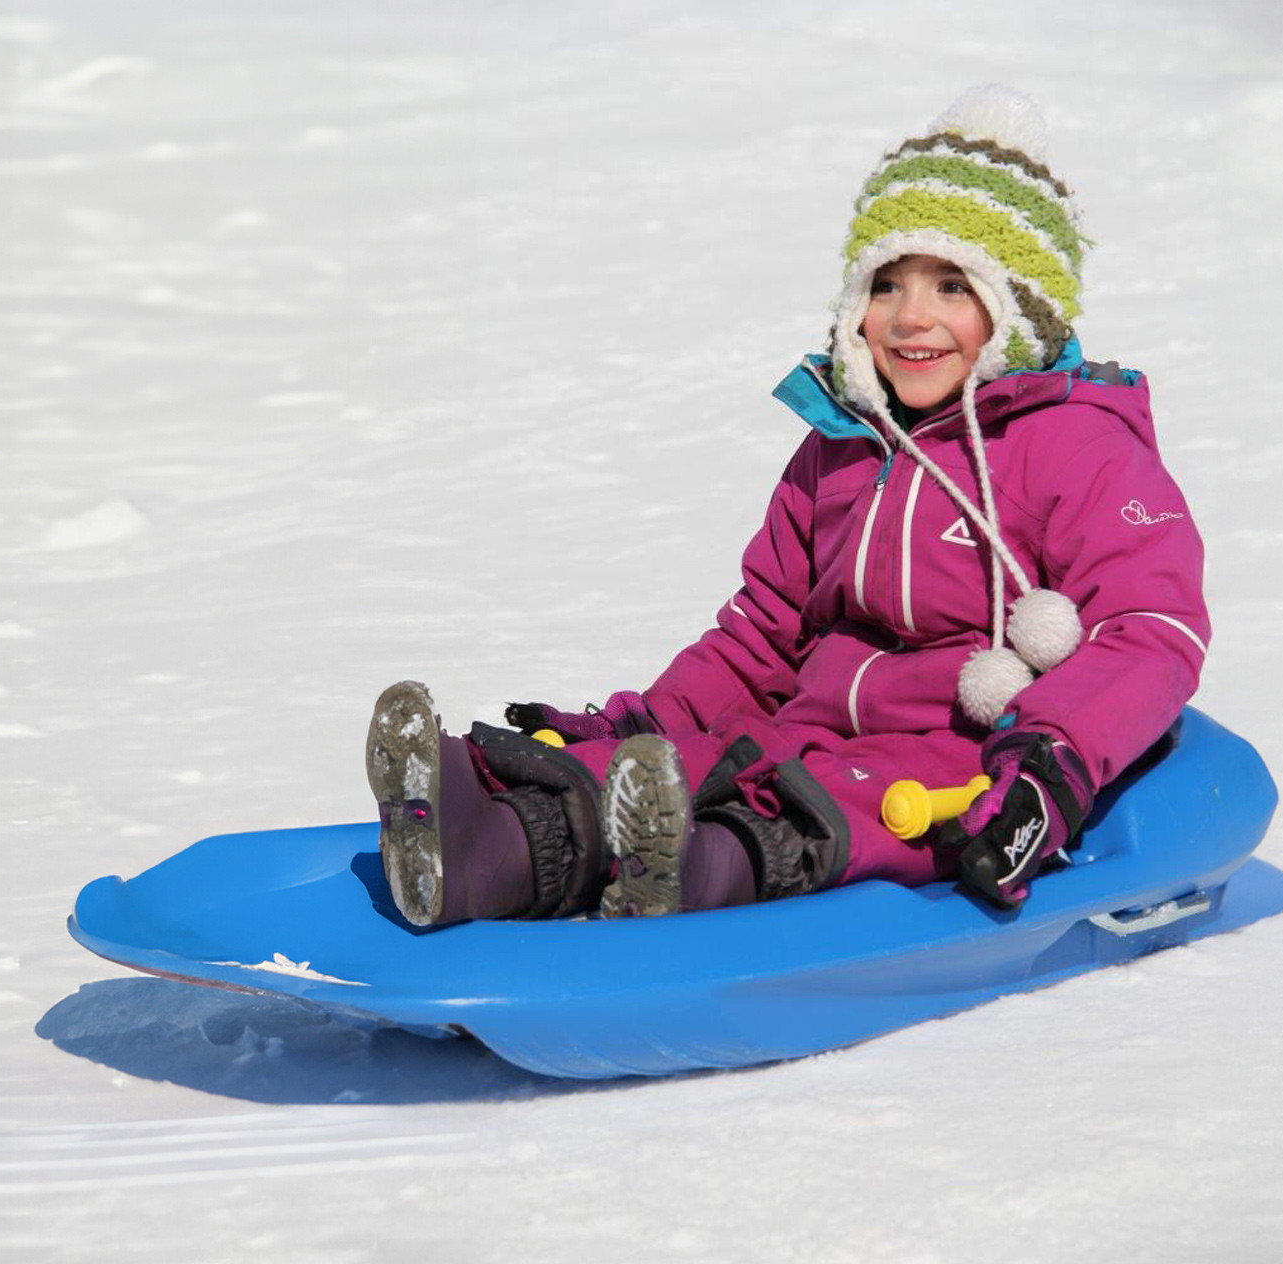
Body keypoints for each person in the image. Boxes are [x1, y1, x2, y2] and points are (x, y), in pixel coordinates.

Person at [367, 85, 1209, 926]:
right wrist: (645, 726)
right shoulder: (842, 445)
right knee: (694, 767)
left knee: (814, 810)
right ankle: (480, 846)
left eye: (954, 286)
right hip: (806, 724)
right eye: (887, 284)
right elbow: (763, 632)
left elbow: (1151, 629)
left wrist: (1045, 772)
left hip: (955, 757)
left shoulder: (1077, 445)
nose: (911, 318)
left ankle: (683, 877)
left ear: (1018, 309)